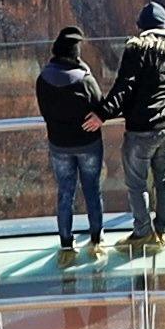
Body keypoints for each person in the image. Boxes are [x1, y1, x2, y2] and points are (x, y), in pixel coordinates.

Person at [107, 2, 165, 247]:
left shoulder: (136, 49)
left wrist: (102, 113)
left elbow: (124, 87)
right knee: (163, 178)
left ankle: (142, 233)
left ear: (141, 26)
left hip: (141, 129)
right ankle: (164, 229)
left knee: (137, 182)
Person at [36, 26, 111, 255]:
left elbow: (44, 111)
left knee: (65, 192)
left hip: (59, 146)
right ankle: (97, 239)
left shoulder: (43, 79)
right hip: (88, 144)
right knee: (92, 191)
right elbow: (100, 105)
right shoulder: (84, 80)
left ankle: (66, 243)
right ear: (75, 54)